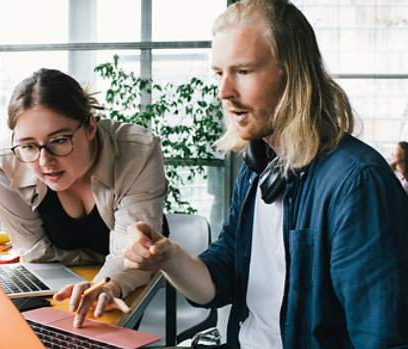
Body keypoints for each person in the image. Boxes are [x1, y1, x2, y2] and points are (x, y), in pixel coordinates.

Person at [124, 0, 408, 348]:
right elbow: (223, 274)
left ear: (293, 74)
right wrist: (168, 257)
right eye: (218, 73)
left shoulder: (357, 184)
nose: (224, 92)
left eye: (243, 71)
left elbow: (381, 338)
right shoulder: (258, 167)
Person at [0, 68, 167, 328]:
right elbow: (35, 253)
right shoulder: (2, 163)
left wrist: (106, 283)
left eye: (59, 140)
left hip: (131, 276)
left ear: (91, 126)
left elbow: (131, 256)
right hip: (62, 282)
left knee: (105, 327)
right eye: (28, 145)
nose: (45, 161)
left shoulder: (139, 149)